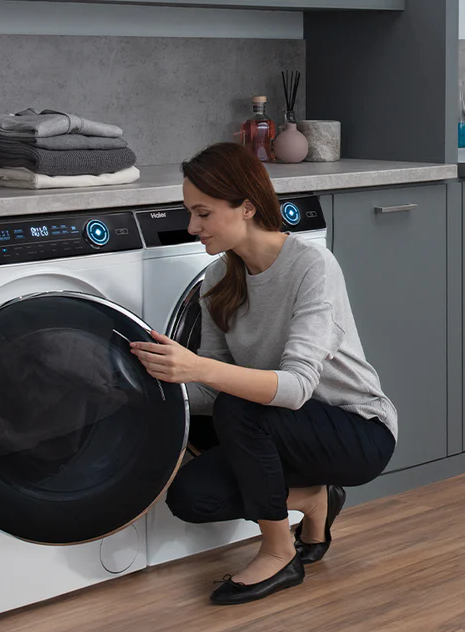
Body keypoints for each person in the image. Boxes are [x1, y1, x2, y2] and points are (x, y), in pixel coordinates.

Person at [129, 142, 397, 605]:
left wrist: (198, 366)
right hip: (278, 435)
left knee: (242, 405)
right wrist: (148, 389)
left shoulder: (312, 266)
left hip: (356, 431)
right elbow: (212, 393)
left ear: (247, 207)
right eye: (189, 213)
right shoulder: (217, 281)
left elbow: (294, 389)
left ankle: (279, 552)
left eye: (203, 213)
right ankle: (314, 499)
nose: (192, 227)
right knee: (191, 497)